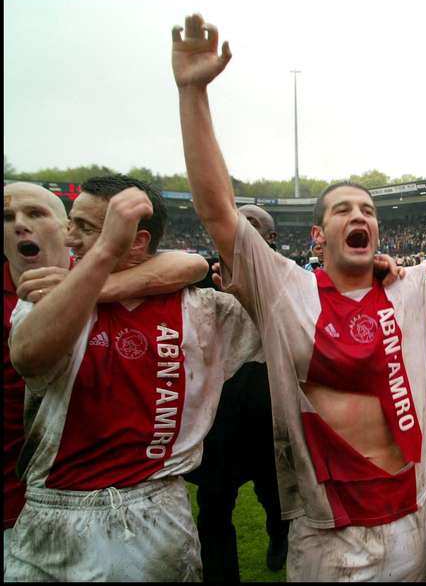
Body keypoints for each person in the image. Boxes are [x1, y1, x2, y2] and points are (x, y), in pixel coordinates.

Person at [172, 12, 426, 581]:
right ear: (318, 234)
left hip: (411, 520)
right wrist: (193, 93)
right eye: (343, 209)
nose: (360, 215)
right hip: (329, 534)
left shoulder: (412, 286)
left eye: (368, 210)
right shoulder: (286, 290)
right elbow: (218, 212)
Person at [6, 175, 264, 581]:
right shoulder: (53, 295)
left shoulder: (201, 310)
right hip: (52, 514)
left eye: (87, 228)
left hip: (155, 512)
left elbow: (283, 321)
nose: (71, 238)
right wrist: (102, 264)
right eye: (71, 224)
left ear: (138, 242)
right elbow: (28, 357)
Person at [184, 203, 291, 581]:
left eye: (252, 223)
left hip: (268, 418)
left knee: (275, 497)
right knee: (213, 507)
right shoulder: (198, 275)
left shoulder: (289, 279)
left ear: (270, 238)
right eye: (236, 219)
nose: (240, 227)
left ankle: (279, 537)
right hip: (217, 421)